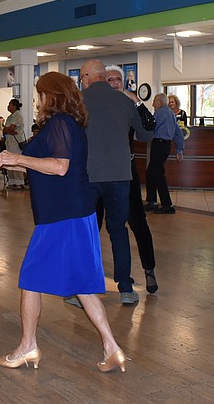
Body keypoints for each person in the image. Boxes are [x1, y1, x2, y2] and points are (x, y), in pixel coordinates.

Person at [0, 72, 127, 373]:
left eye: (39, 94)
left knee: (29, 280)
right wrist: (12, 160)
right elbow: (46, 167)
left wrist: (17, 159)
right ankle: (112, 347)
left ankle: (28, 347)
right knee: (82, 285)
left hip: (62, 218)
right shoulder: (66, 125)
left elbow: (59, 167)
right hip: (72, 214)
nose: (37, 100)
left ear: (50, 96)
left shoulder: (61, 123)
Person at [80, 59, 154, 305]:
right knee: (118, 230)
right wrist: (138, 103)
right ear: (104, 76)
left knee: (88, 231)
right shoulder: (124, 102)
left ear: (89, 77)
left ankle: (84, 289)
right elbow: (146, 133)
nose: (82, 81)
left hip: (88, 176)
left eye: (82, 77)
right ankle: (125, 287)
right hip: (121, 176)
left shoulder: (78, 103)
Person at [103, 66, 160, 294]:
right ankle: (83, 278)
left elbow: (149, 126)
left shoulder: (129, 104)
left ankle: (149, 270)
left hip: (126, 173)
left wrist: (136, 100)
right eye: (110, 80)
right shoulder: (96, 107)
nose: (115, 83)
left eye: (118, 79)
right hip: (97, 174)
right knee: (92, 225)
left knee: (138, 222)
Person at [145, 93, 185, 214]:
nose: (153, 104)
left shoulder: (160, 112)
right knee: (152, 172)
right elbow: (178, 133)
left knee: (157, 174)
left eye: (154, 102)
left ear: (160, 102)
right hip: (165, 146)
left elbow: (150, 127)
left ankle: (167, 204)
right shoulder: (171, 114)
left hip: (159, 144)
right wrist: (179, 149)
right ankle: (152, 201)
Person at [3, 98, 27, 189]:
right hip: (9, 142)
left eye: (10, 104)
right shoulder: (9, 117)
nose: (8, 106)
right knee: (9, 161)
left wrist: (9, 130)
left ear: (15, 106)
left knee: (16, 161)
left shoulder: (18, 116)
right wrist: (8, 130)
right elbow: (5, 130)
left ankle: (19, 182)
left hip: (16, 143)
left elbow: (11, 128)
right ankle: (12, 182)